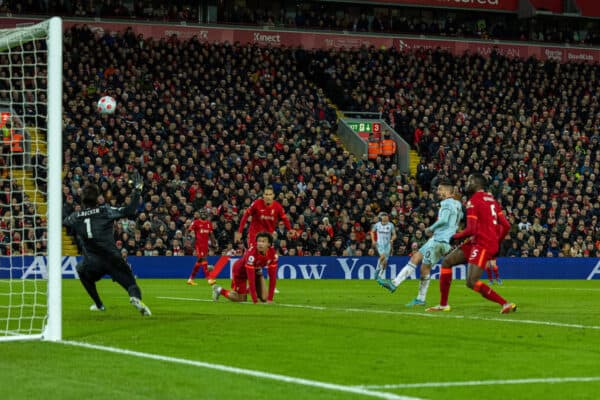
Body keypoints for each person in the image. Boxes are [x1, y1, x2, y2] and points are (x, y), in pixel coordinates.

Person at [63, 172, 151, 316]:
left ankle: (99, 305)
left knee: (80, 270)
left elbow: (64, 221)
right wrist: (137, 190)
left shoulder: (75, 217)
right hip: (112, 258)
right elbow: (129, 210)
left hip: (92, 262)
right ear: (98, 198)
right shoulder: (105, 210)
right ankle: (135, 298)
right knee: (131, 284)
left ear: (82, 199)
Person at [426, 173, 515, 314]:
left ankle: (505, 303)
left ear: (475, 183)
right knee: (447, 262)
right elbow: (506, 225)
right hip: (478, 241)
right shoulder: (492, 200)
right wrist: (496, 241)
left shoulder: (473, 201)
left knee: (471, 281)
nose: (466, 183)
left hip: (482, 243)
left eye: (469, 180)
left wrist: (455, 236)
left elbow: (471, 229)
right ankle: (443, 304)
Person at [377, 180, 463, 307]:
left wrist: (431, 228)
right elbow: (459, 218)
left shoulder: (445, 202)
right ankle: (394, 283)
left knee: (425, 268)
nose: (438, 192)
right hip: (440, 240)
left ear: (446, 191)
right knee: (415, 257)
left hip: (439, 240)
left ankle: (420, 298)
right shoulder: (458, 204)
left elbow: (444, 220)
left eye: (440, 189)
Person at [212, 232, 278, 303]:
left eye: (263, 241)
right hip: (240, 272)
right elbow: (251, 280)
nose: (260, 243)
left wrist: (270, 299)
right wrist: (255, 301)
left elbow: (273, 278)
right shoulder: (252, 254)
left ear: (269, 244)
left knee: (264, 298)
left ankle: (248, 290)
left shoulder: (272, 254)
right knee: (241, 299)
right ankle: (219, 290)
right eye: (259, 241)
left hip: (256, 271)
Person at [186, 210, 217, 286]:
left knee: (199, 261)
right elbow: (188, 230)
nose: (203, 215)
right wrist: (188, 239)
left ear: (207, 215)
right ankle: (209, 279)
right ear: (200, 215)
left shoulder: (208, 223)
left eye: (205, 214)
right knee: (204, 259)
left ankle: (190, 279)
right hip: (198, 244)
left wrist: (214, 243)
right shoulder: (196, 222)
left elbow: (211, 234)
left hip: (205, 245)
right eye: (202, 213)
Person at [371, 212, 397, 279]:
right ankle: (377, 271)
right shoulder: (377, 225)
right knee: (382, 256)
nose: (385, 217)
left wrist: (392, 240)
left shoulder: (391, 225)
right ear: (381, 218)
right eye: (383, 216)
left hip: (387, 245)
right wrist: (373, 240)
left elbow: (394, 234)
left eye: (386, 216)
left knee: (385, 262)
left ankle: (380, 274)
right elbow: (372, 232)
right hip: (379, 244)